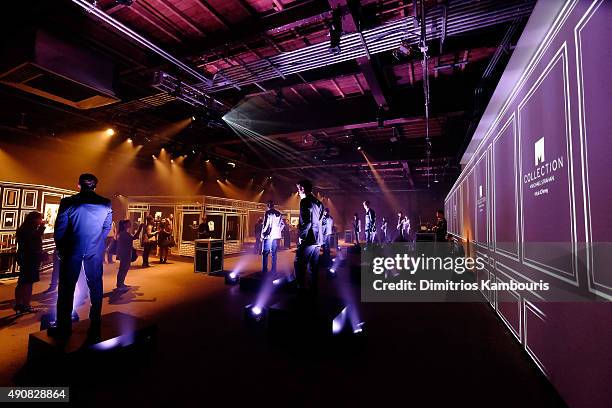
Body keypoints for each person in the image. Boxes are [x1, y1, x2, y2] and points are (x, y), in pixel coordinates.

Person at [50, 173, 112, 339]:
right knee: (96, 284)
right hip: (95, 248)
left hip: (72, 248)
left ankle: (64, 325)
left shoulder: (68, 202)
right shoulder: (106, 203)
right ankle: (95, 319)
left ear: (78, 185)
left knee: (67, 287)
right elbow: (106, 229)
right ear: (95, 186)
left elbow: (60, 229)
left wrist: (60, 248)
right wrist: (97, 241)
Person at [294, 179, 324, 295]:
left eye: (298, 189)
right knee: (313, 268)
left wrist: (301, 237)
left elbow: (307, 222)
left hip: (308, 239)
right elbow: (320, 221)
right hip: (317, 239)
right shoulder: (319, 202)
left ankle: (301, 291)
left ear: (302, 188)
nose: (298, 192)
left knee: (299, 265)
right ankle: (313, 291)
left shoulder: (305, 201)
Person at [14, 211, 45, 314]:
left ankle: (18, 304)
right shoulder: (30, 231)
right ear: (34, 219)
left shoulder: (23, 229)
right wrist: (41, 228)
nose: (41, 221)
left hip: (24, 258)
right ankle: (26, 305)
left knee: (22, 282)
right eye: (40, 218)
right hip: (30, 259)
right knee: (28, 283)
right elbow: (33, 241)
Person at [116, 219, 144, 290]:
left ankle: (120, 283)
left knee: (123, 268)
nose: (130, 224)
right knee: (123, 268)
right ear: (125, 225)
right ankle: (120, 284)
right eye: (129, 223)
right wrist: (140, 228)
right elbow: (134, 237)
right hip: (125, 253)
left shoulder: (122, 233)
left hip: (124, 253)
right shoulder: (124, 233)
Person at [261, 201, 284, 275]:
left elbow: (265, 224)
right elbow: (282, 224)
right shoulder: (279, 213)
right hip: (275, 236)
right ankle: (274, 270)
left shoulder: (268, 213)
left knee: (265, 253)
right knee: (274, 253)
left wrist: (262, 234)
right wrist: (278, 231)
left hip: (268, 236)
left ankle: (264, 269)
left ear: (268, 205)